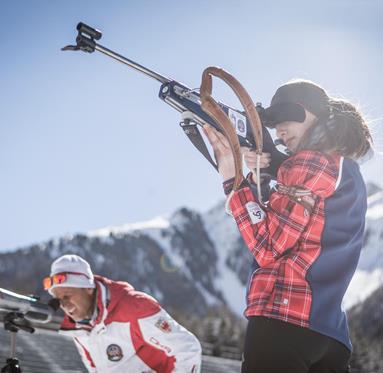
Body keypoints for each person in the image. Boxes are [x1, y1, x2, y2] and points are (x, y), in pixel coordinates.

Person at [203, 79, 373, 373]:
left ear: (310, 113)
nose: (279, 130)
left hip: (283, 319)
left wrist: (233, 179)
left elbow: (268, 246)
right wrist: (268, 177)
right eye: (274, 122)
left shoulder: (307, 163)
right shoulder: (347, 171)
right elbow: (304, 232)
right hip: (330, 334)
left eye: (286, 117)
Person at [43, 254, 201, 373]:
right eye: (57, 300)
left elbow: (188, 348)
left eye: (67, 296)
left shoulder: (134, 307)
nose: (63, 305)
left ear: (88, 288)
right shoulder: (77, 329)